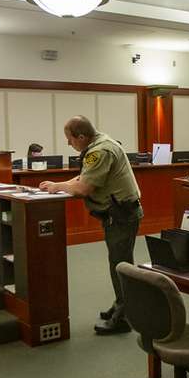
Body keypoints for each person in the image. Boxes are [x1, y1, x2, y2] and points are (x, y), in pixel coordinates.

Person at [39, 116, 142, 335]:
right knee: (119, 263)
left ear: (82, 137)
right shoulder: (100, 142)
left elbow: (83, 188)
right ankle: (121, 304)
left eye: (70, 139)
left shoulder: (99, 152)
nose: (69, 144)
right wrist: (58, 185)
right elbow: (83, 177)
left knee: (120, 264)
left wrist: (58, 186)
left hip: (121, 215)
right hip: (120, 213)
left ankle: (124, 316)